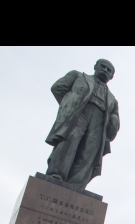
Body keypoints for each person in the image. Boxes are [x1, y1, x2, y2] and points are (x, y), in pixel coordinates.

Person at [45, 60, 120, 191]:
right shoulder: (78, 76)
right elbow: (57, 87)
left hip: (99, 123)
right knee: (69, 142)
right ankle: (56, 174)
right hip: (79, 114)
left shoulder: (113, 99)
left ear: (112, 77)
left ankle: (76, 185)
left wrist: (114, 121)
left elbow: (114, 115)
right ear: (95, 67)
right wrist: (69, 107)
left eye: (109, 70)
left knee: (88, 153)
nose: (105, 70)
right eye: (103, 67)